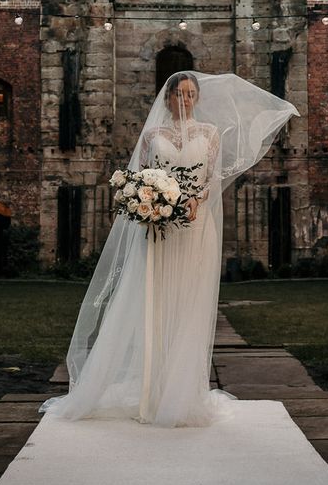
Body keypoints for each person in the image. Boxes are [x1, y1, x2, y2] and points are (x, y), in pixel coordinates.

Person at [42, 71, 299, 427]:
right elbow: (141, 177)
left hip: (195, 227)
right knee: (156, 303)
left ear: (197, 98)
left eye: (191, 94)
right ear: (168, 99)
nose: (185, 100)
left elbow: (213, 178)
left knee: (188, 302)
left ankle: (184, 392)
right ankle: (151, 392)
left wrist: (198, 200)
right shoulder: (151, 136)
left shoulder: (209, 134)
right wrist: (146, 202)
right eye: (179, 94)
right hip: (158, 227)